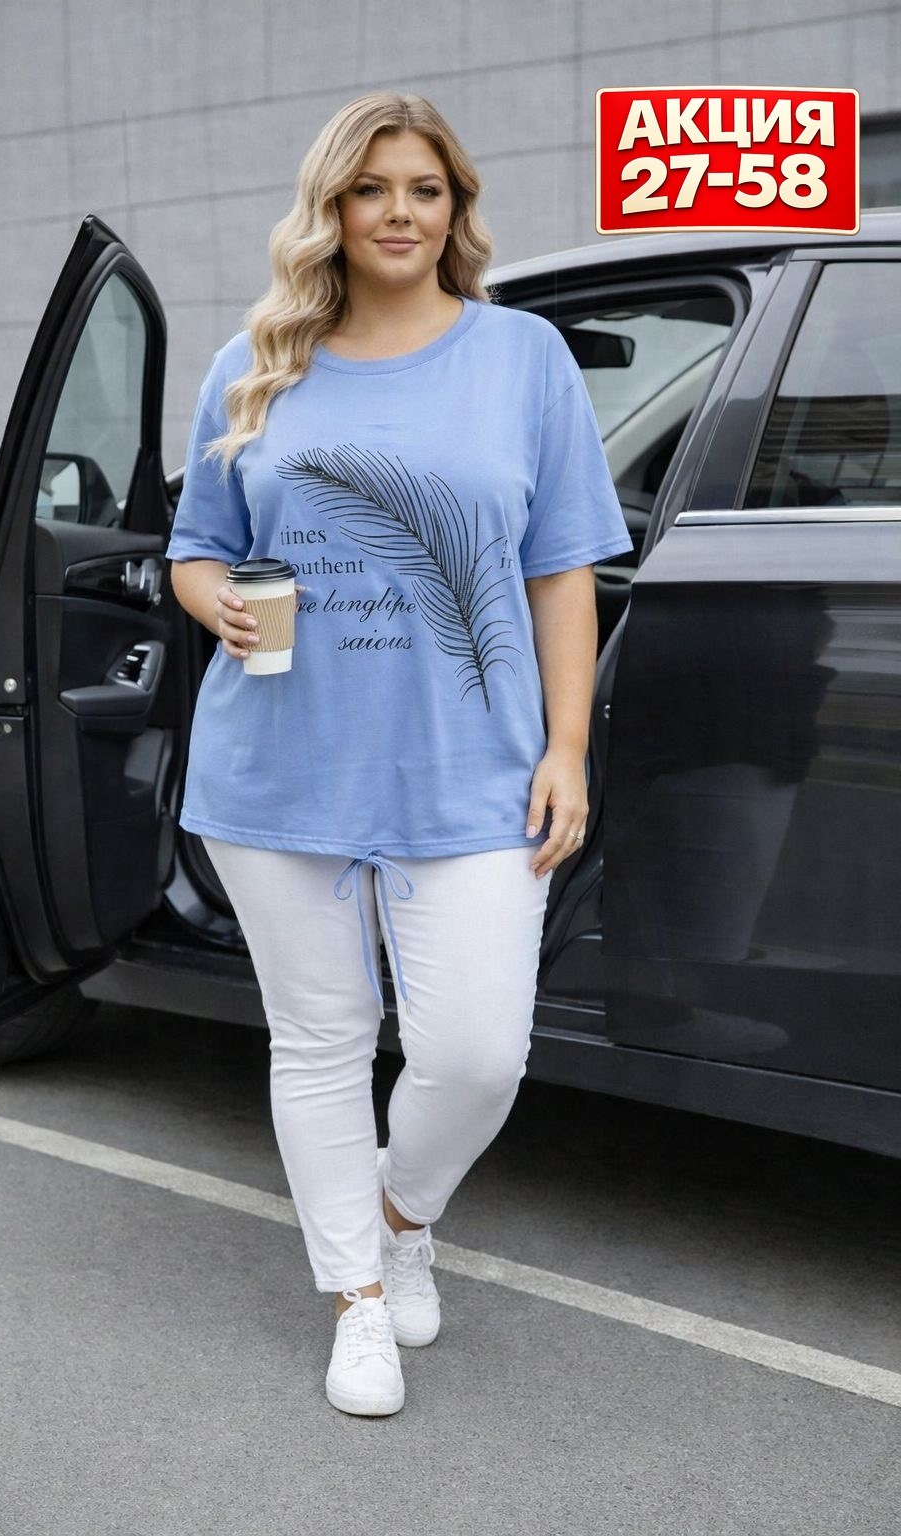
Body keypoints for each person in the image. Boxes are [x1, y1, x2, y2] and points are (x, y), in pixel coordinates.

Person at [165, 91, 633, 1417]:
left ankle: (397, 1216)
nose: (399, 213)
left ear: (456, 208)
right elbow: (196, 547)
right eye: (371, 189)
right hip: (281, 767)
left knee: (478, 1053)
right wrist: (220, 603)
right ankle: (357, 1301)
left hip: (472, 770)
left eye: (425, 189)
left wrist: (567, 747)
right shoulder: (256, 361)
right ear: (331, 207)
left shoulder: (523, 358)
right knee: (321, 1040)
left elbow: (562, 568)